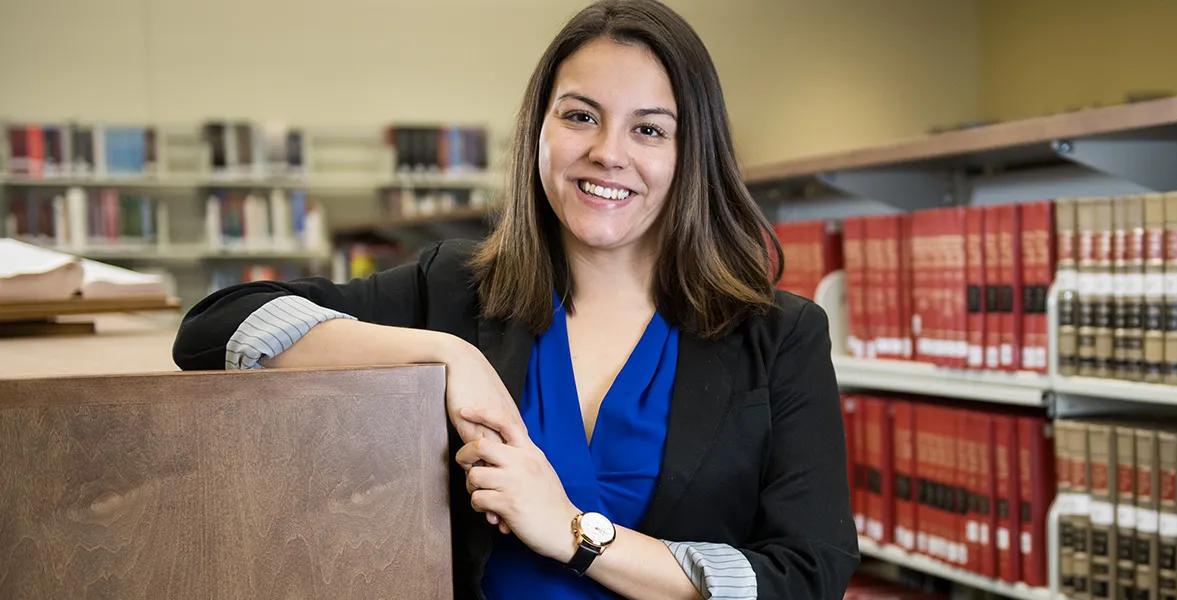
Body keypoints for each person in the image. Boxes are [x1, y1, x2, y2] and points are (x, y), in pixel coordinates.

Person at [169, 1, 858, 598]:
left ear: (691, 154)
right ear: (540, 131)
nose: (607, 153)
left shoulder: (779, 337)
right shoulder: (454, 290)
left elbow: (805, 575)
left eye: (648, 129)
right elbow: (215, 330)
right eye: (581, 116)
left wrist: (575, 535)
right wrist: (446, 353)